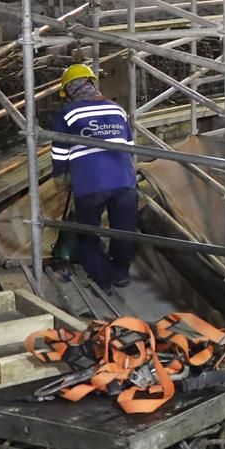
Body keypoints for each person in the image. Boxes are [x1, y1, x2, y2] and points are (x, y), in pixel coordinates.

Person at [50, 63, 139, 289]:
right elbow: (129, 146)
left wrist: (61, 177)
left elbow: (59, 153)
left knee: (87, 232)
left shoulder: (68, 113)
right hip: (124, 181)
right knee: (123, 230)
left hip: (90, 184)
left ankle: (102, 278)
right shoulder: (117, 109)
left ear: (69, 90)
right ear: (91, 82)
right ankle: (120, 273)